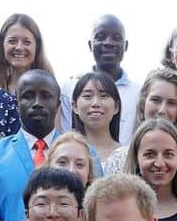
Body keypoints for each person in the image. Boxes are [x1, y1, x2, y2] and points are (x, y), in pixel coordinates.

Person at [0, 132, 101, 221]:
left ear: (89, 174)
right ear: (48, 166)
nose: (71, 170)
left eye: (80, 164)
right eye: (62, 162)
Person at [104, 68, 177, 184]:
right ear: (143, 103)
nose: (162, 110)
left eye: (171, 103)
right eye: (156, 100)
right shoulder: (118, 161)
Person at [0, 70, 62, 221]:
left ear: (58, 104)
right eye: (28, 96)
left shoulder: (82, 152)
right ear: (16, 103)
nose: (37, 103)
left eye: (46, 96)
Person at [60, 15, 140, 144]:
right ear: (90, 45)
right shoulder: (71, 87)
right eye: (101, 37)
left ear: (125, 46)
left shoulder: (138, 92)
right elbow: (65, 133)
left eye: (117, 38)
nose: (109, 42)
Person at [0, 14, 56, 95]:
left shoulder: (51, 89)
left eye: (27, 42)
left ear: (37, 47)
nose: (19, 47)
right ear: (2, 45)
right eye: (12, 41)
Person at [70, 71, 123, 168]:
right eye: (87, 96)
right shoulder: (65, 153)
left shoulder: (127, 156)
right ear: (75, 106)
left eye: (104, 96)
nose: (95, 103)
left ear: (116, 107)